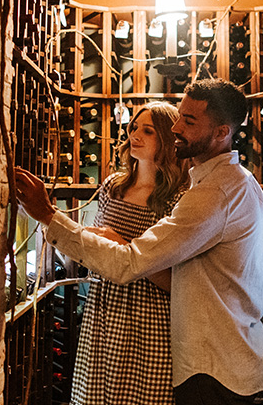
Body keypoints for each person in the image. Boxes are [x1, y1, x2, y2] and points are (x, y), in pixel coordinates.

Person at [16, 79, 263, 405]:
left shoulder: (213, 194)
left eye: (189, 122)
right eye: (179, 116)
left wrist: (48, 216)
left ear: (221, 133)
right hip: (228, 360)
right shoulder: (233, 182)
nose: (176, 127)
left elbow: (129, 263)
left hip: (212, 371)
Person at [71, 101, 190, 405]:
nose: (134, 135)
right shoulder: (113, 186)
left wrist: (119, 243)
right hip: (104, 309)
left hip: (150, 316)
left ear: (165, 139)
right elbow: (96, 253)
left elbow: (177, 282)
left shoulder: (177, 198)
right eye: (133, 128)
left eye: (147, 131)